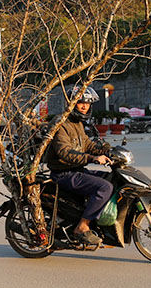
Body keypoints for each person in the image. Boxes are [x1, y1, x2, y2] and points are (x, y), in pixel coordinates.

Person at [46, 86, 112, 248]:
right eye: (81, 103)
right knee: (104, 187)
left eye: (87, 104)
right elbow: (64, 152)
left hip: (77, 170)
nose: (84, 106)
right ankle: (82, 226)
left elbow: (87, 144)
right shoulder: (60, 123)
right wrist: (93, 158)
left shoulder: (77, 123)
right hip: (64, 173)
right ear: (72, 103)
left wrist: (106, 151)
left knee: (111, 178)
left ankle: (97, 221)